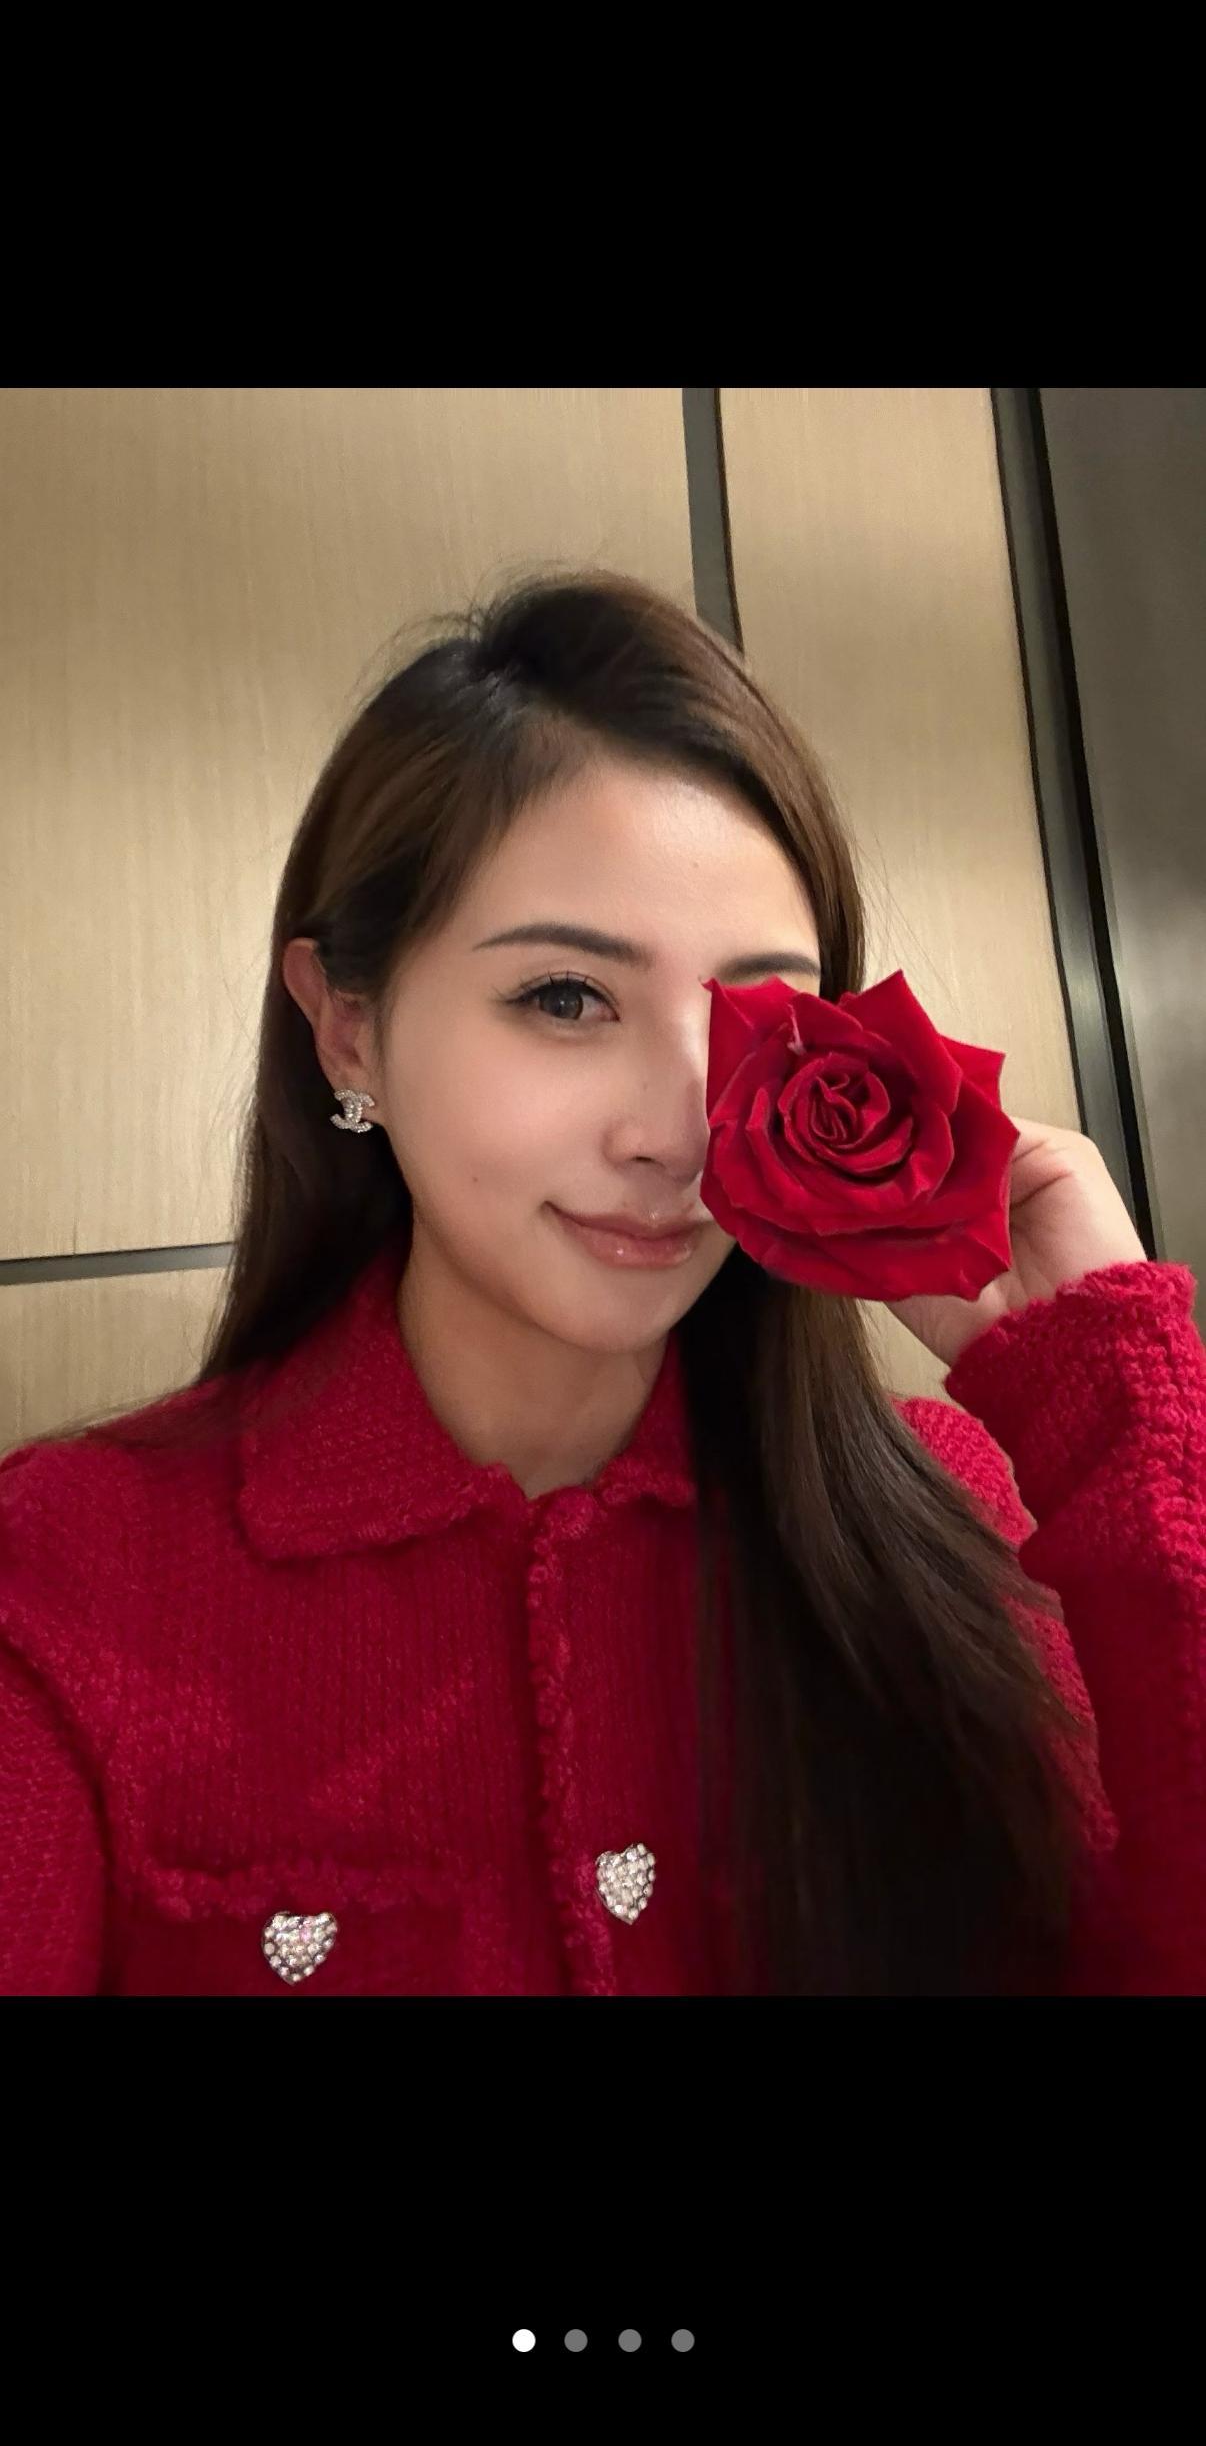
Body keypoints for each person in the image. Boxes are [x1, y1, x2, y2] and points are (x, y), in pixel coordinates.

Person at [2, 568, 1203, 1994]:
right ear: (348, 1028)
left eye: (757, 1009)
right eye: (565, 998)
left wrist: (1107, 1403)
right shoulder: (70, 1581)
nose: (679, 1130)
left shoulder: (956, 1513)